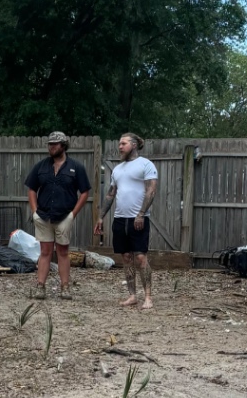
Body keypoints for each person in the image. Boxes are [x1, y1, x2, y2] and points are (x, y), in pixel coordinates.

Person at [24, 131, 91, 299]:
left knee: (63, 252)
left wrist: (73, 214)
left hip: (64, 216)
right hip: (43, 216)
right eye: (50, 144)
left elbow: (85, 192)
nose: (51, 147)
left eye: (55, 144)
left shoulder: (76, 167)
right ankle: (40, 286)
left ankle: (65, 287)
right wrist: (34, 212)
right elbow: (31, 189)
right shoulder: (41, 166)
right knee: (45, 251)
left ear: (63, 145)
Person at [96, 132, 158, 310]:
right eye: (119, 144)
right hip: (120, 219)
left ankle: (148, 297)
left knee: (140, 257)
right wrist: (101, 217)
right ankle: (132, 296)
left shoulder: (146, 164)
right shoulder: (117, 169)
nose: (120, 147)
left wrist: (141, 214)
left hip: (138, 218)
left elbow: (151, 191)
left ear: (134, 145)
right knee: (126, 257)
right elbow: (110, 195)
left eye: (123, 143)